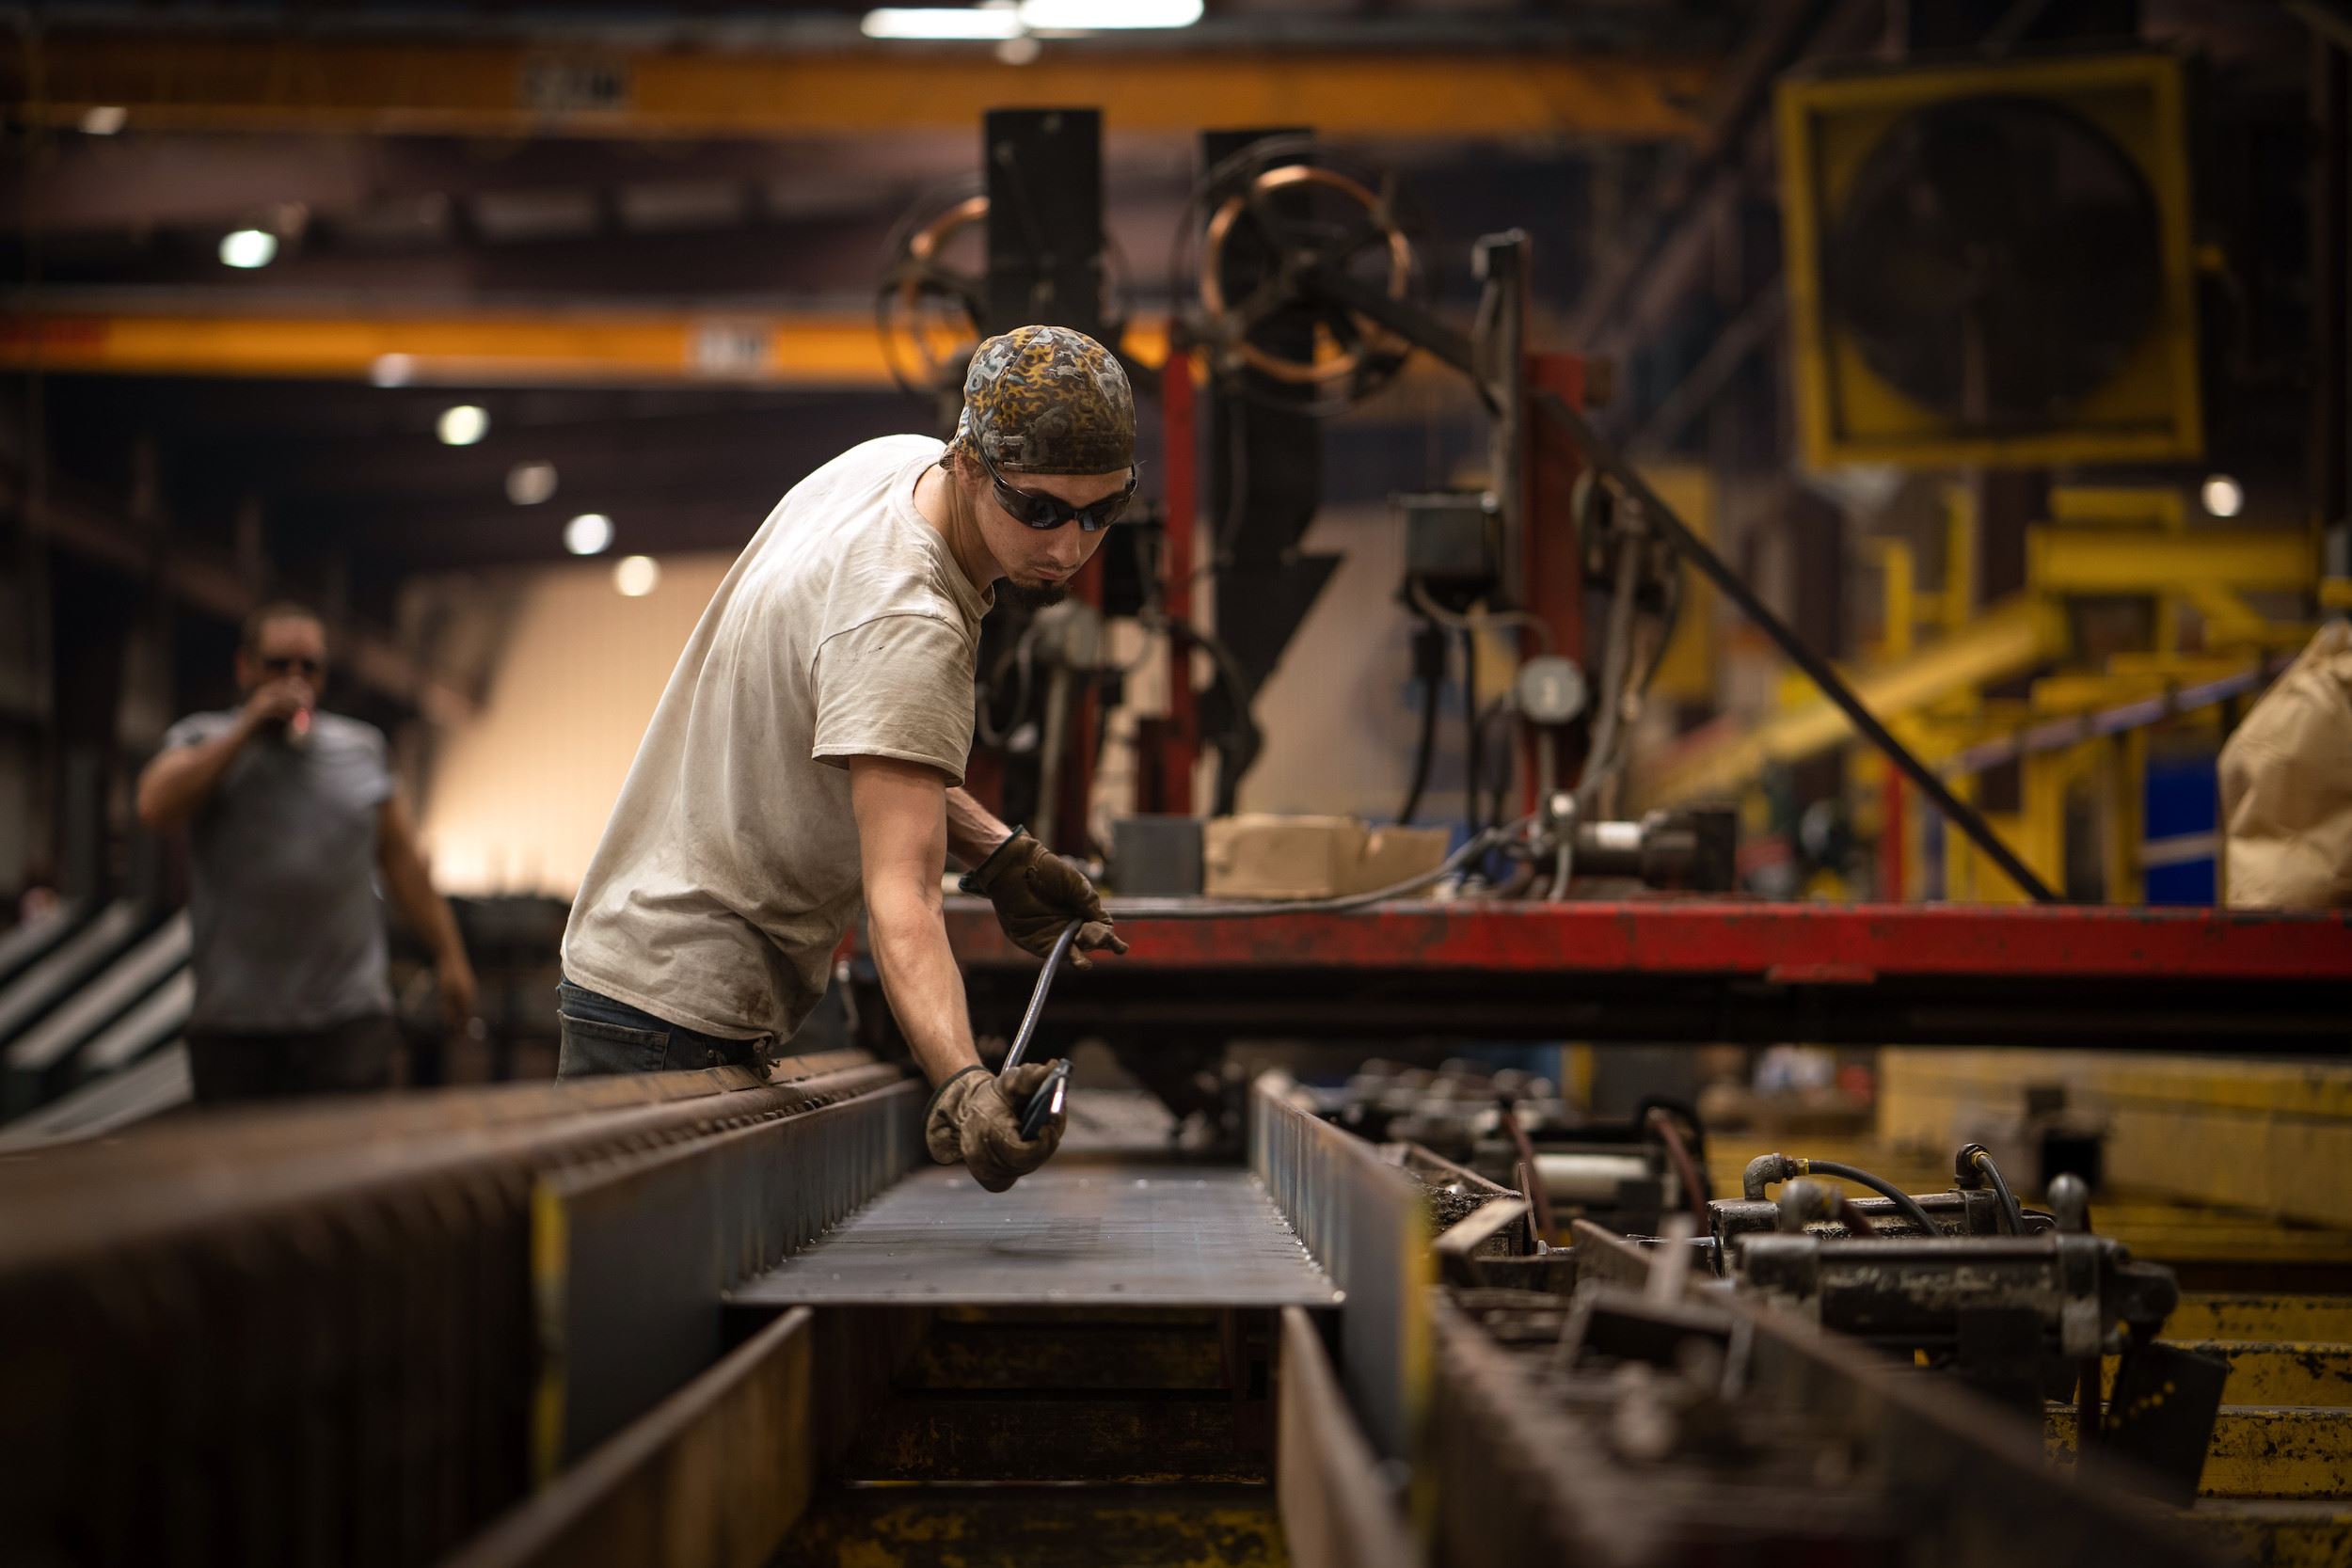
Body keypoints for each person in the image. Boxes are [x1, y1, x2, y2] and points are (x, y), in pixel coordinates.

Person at [559, 324, 1133, 1192]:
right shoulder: (912, 623)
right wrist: (964, 1083)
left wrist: (1000, 855)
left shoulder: (892, 467)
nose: (1068, 547)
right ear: (969, 464)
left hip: (647, 973)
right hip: (672, 1013)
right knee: (633, 1314)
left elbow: (863, 736)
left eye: (1103, 510)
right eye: (1040, 509)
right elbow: (900, 899)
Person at [136, 602, 477, 1103]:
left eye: (309, 666)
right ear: (245, 668)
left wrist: (450, 955)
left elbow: (402, 861)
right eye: (278, 665)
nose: (294, 678)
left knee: (348, 1172)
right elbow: (155, 806)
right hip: (237, 1025)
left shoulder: (360, 749)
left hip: (346, 1019)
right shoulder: (204, 739)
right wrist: (246, 732)